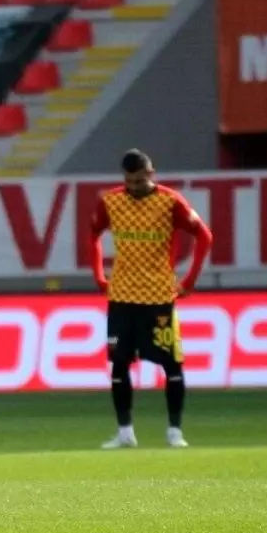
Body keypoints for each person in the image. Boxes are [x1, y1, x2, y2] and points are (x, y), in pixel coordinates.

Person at [89, 149, 213, 450]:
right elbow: (93, 235)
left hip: (158, 296)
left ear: (151, 173)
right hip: (122, 296)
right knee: (119, 365)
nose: (134, 187)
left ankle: (174, 432)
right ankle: (125, 433)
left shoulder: (170, 202)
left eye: (140, 180)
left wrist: (189, 281)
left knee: (171, 364)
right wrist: (99, 276)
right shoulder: (111, 201)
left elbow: (204, 236)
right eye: (129, 181)